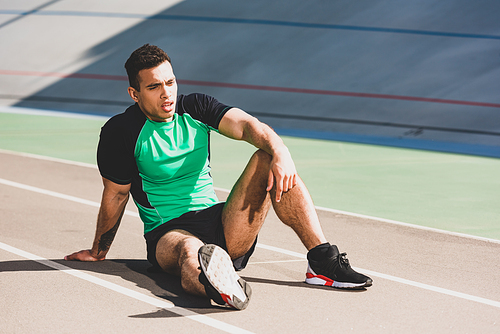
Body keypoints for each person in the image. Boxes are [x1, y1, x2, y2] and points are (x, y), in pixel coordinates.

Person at [65, 44, 372, 310]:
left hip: (222, 222)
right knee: (190, 252)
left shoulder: (195, 107)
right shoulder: (120, 132)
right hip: (168, 232)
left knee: (267, 158)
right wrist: (98, 252)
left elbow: (246, 125)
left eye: (170, 82)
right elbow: (117, 194)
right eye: (154, 87)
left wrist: (281, 152)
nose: (167, 93)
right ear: (134, 93)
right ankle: (219, 287)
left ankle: (322, 262)